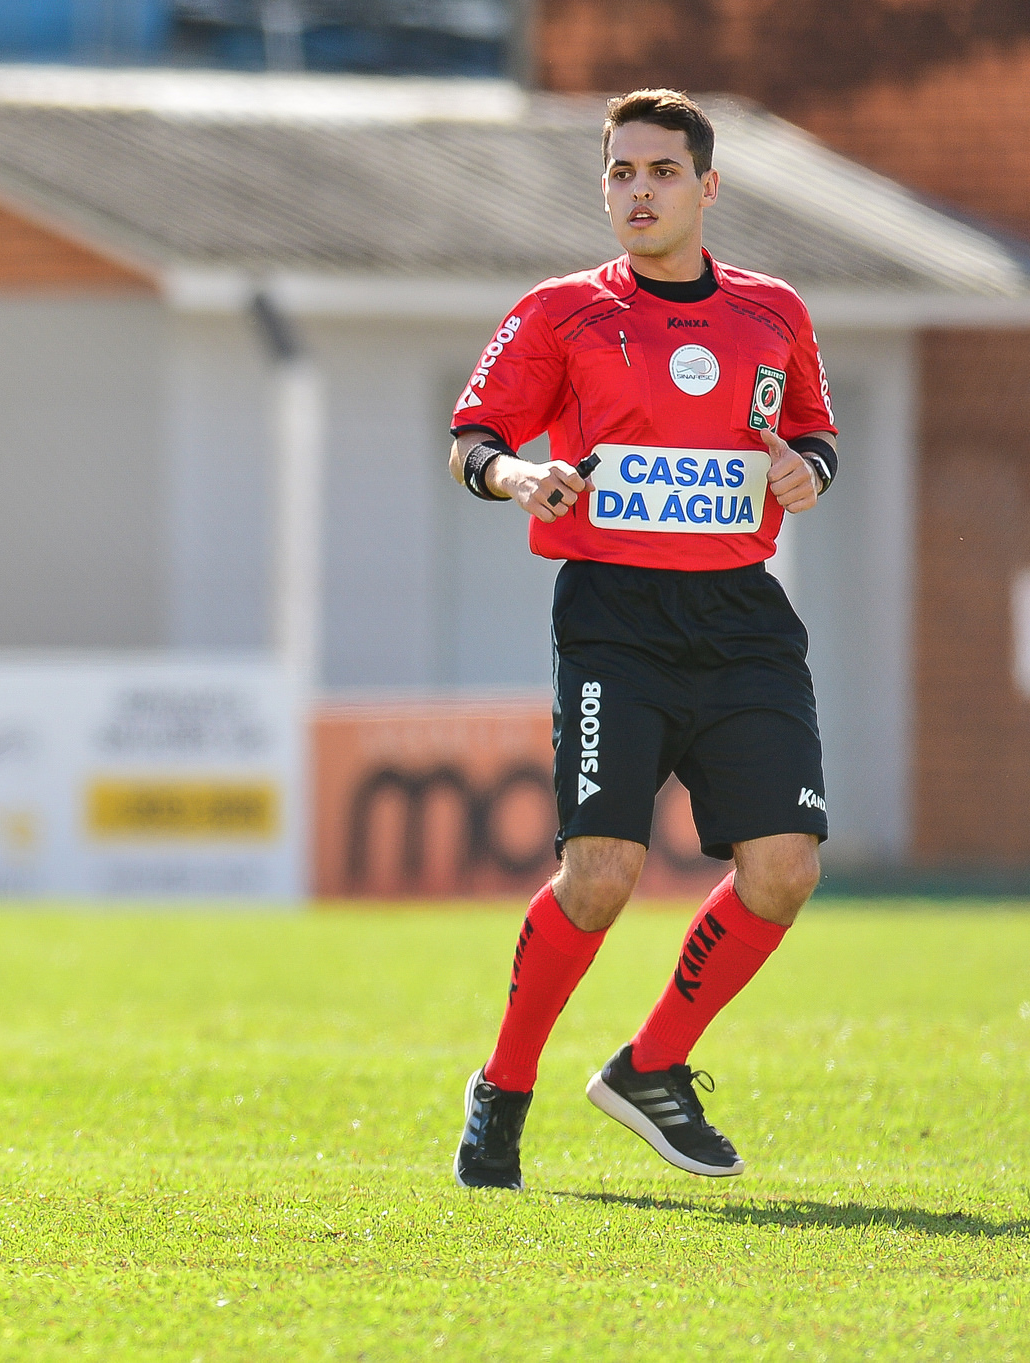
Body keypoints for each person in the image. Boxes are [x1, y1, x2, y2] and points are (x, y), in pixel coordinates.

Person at [446, 90, 839, 1190]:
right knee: (600, 873)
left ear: (705, 188)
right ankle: (503, 1087)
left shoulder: (771, 311)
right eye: (619, 171)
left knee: (782, 869)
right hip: (614, 616)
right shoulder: (558, 311)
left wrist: (807, 467)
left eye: (660, 171)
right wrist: (519, 473)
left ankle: (651, 1067)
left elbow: (808, 432)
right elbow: (472, 439)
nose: (636, 191)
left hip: (742, 619)